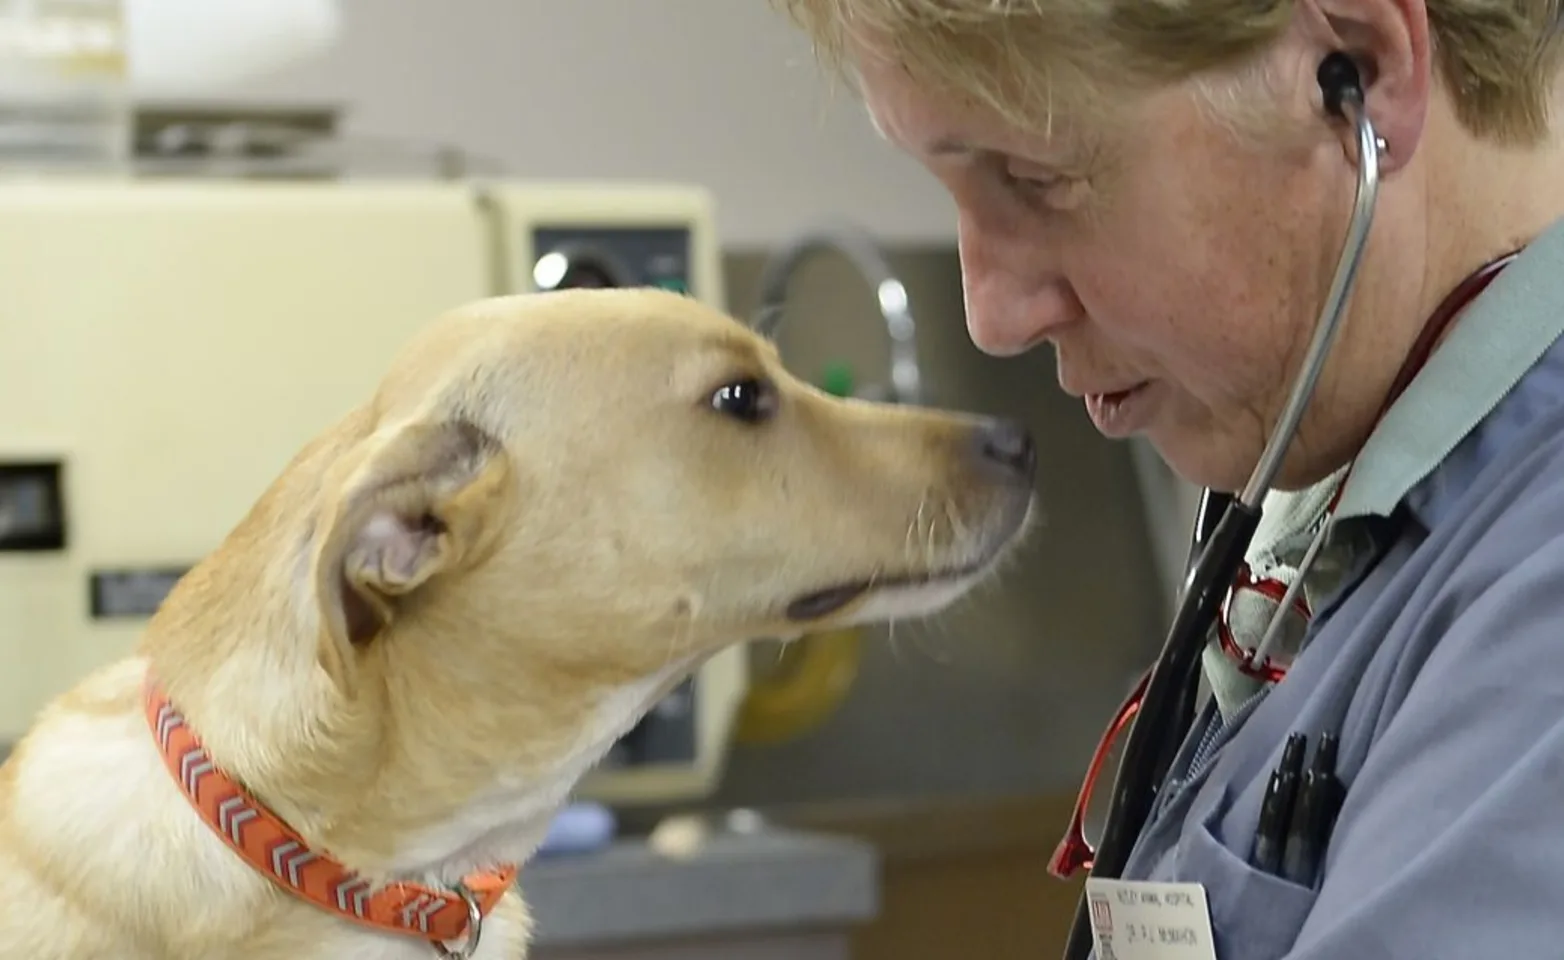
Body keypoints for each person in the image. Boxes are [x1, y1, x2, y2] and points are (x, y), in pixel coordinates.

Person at [768, 1, 1564, 958]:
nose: (992, 315)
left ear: (1358, 69)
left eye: (1037, 177)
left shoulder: (1534, 601)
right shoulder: (1324, 515)